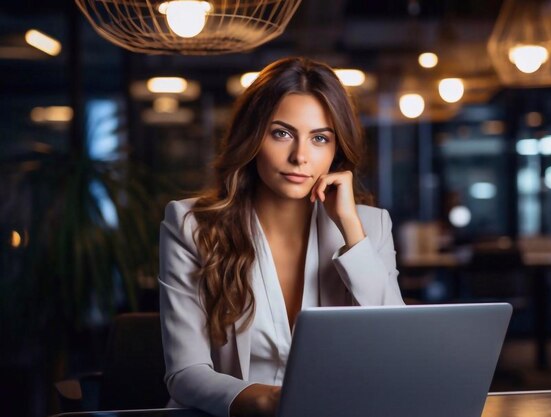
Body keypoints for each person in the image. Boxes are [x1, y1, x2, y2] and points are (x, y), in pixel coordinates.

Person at [159, 57, 404, 417]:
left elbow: (398, 351)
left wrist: (351, 229)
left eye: (320, 138)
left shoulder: (370, 226)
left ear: (336, 151)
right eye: (282, 133)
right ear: (253, 137)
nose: (300, 156)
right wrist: (267, 400)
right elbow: (185, 373)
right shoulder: (191, 225)